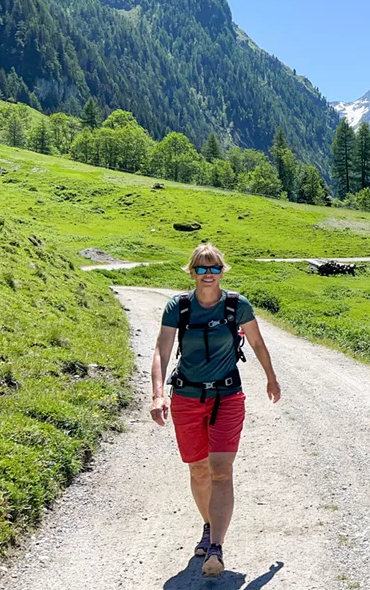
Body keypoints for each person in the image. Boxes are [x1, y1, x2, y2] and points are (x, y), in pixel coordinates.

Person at [149, 243, 282, 577]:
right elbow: (161, 351)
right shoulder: (177, 308)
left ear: (223, 271)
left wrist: (271, 378)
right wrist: (157, 395)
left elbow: (257, 343)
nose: (208, 275)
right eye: (201, 268)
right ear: (191, 271)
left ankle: (216, 548)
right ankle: (209, 526)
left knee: (221, 468)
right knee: (198, 469)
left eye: (214, 268)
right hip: (187, 398)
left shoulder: (237, 305)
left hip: (227, 397)